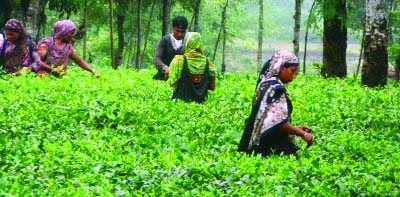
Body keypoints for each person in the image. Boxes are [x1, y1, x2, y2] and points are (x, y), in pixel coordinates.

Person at [238, 51, 313, 157]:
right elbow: (278, 123)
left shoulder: (266, 84)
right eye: (292, 71)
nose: (294, 75)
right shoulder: (275, 89)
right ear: (282, 68)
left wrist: (296, 128)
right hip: (270, 147)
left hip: (262, 142)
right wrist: (302, 134)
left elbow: (269, 121)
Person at [168, 32, 216, 103]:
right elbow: (212, 87)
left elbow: (171, 82)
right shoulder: (209, 62)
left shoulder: (178, 60)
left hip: (180, 105)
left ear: (186, 42)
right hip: (201, 105)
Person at [153, 16, 188, 80]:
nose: (180, 34)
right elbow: (157, 58)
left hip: (181, 79)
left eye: (182, 32)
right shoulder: (164, 40)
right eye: (177, 31)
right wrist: (164, 67)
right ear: (173, 28)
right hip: (164, 77)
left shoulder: (187, 42)